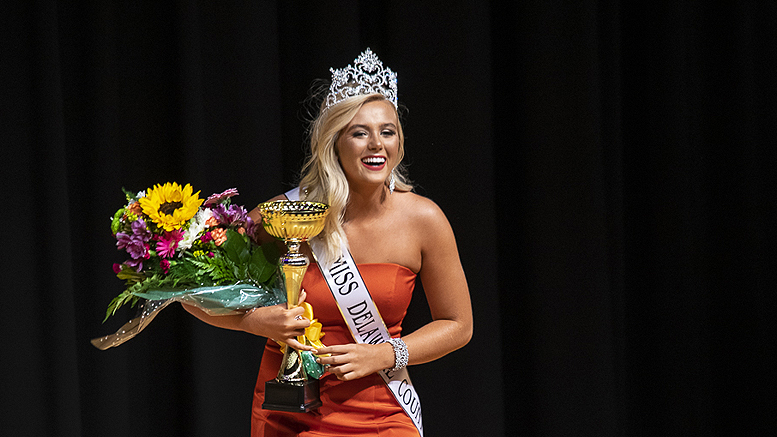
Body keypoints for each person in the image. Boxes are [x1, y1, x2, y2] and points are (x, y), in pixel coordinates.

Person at [184, 48, 472, 436]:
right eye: (359, 132)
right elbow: (188, 290)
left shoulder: (423, 219)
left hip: (381, 408)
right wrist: (253, 321)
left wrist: (385, 352)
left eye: (387, 132)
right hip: (290, 411)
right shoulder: (286, 213)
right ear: (334, 142)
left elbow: (458, 325)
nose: (376, 144)